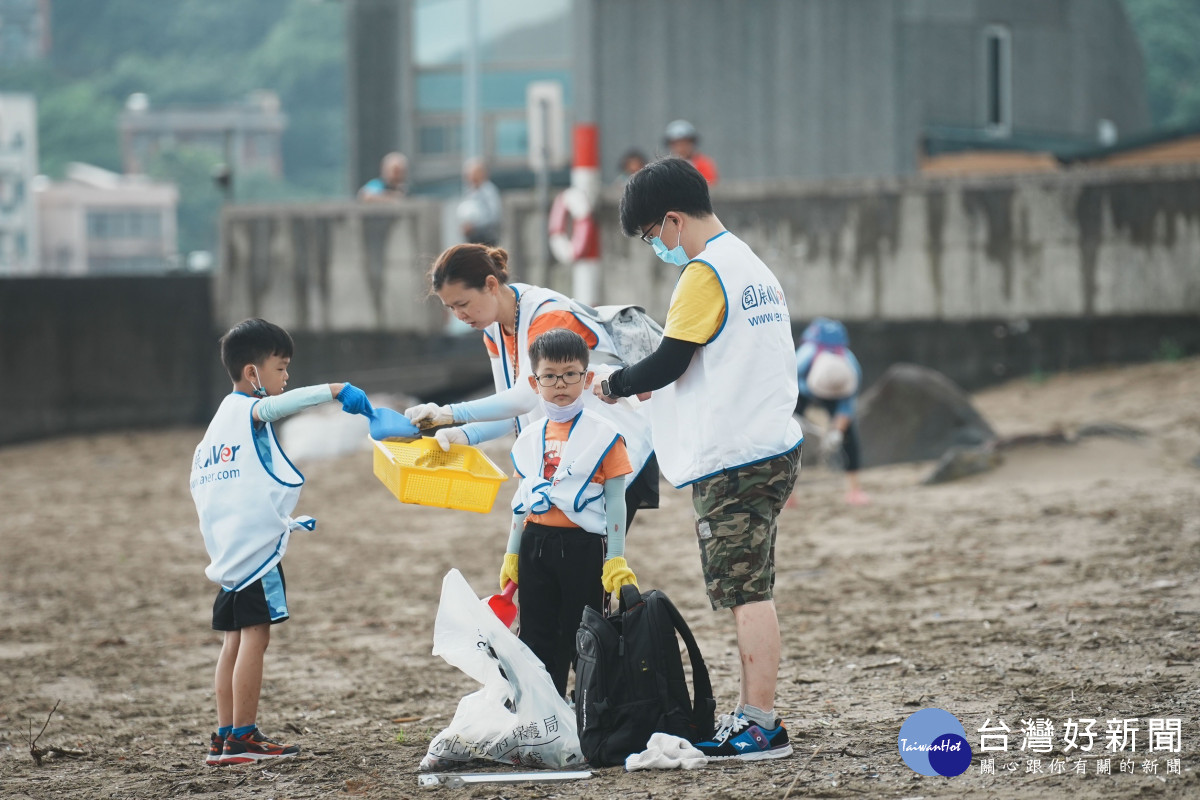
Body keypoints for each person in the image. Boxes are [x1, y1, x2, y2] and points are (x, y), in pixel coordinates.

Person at [594, 157, 800, 761]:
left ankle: (759, 722)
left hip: (735, 458)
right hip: (772, 443)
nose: (655, 247)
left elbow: (668, 362)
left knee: (746, 592)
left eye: (652, 235)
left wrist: (613, 383)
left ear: (674, 221)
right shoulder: (749, 263)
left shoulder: (704, 274)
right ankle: (756, 714)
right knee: (751, 584)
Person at [189, 318, 373, 766]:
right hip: (255, 555)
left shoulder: (216, 427)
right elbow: (274, 409)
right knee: (256, 638)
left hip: (228, 555)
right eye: (281, 367)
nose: (286, 377)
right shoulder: (248, 410)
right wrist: (334, 390)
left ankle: (225, 735)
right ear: (253, 373)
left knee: (232, 642)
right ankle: (244, 738)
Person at [403, 243, 658, 530]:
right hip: (568, 460)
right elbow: (511, 412)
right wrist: (464, 434)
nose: (458, 316)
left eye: (462, 304)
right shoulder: (494, 329)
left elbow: (523, 399)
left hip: (609, 456)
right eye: (450, 308)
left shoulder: (548, 316)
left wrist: (449, 412)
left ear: (490, 285)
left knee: (585, 566)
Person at [498, 327, 640, 696]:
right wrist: (512, 552)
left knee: (587, 633)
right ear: (535, 381)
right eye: (549, 376)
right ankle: (546, 715)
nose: (560, 383)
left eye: (570, 374)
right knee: (536, 634)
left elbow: (616, 501)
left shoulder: (604, 434)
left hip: (582, 548)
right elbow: (522, 499)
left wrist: (617, 559)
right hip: (535, 546)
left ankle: (591, 714)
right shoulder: (529, 437)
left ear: (587, 376)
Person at [795, 317, 869, 506]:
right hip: (801, 391)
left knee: (849, 436)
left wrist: (836, 433)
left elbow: (846, 408)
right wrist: (794, 419)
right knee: (786, 439)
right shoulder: (802, 360)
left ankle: (854, 490)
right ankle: (787, 495)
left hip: (835, 388)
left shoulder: (851, 371)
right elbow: (783, 391)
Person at [457, 157, 502, 245]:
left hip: (486, 238)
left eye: (474, 173)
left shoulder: (489, 191)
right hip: (472, 238)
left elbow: (494, 215)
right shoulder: (469, 192)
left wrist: (475, 226)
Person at [663, 120, 719, 185]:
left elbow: (711, 186)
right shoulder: (664, 167)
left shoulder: (704, 164)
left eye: (685, 143)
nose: (681, 148)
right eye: (676, 144)